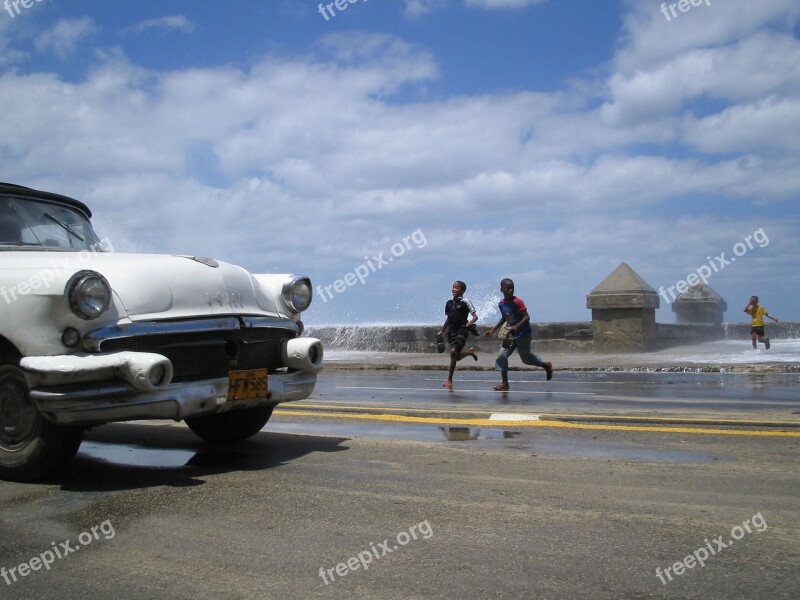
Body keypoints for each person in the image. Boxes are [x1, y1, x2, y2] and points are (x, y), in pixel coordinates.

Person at [484, 278, 552, 390]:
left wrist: (516, 327)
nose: (510, 290)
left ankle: (546, 365)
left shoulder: (518, 301)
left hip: (523, 334)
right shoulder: (501, 304)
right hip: (510, 335)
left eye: (512, 288)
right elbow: (504, 318)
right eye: (508, 288)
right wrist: (493, 330)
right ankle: (505, 383)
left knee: (526, 359)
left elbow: (526, 317)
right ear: (502, 290)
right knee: (501, 356)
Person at [438, 281, 478, 389]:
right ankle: (469, 353)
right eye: (453, 287)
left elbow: (475, 316)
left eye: (457, 288)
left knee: (453, 352)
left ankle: (449, 380)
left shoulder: (465, 302)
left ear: (463, 291)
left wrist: (470, 322)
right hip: (451, 331)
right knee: (456, 356)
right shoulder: (449, 303)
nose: (454, 289)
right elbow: (448, 318)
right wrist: (442, 330)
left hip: (462, 330)